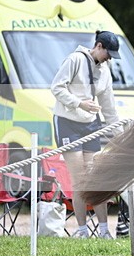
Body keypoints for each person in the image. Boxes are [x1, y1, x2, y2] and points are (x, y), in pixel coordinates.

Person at [50, 30, 121, 239]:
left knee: (95, 178)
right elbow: (56, 87)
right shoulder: (75, 60)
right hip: (67, 122)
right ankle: (81, 230)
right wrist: (79, 103)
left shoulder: (105, 69)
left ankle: (104, 230)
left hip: (90, 123)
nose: (109, 58)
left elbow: (109, 106)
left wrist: (120, 135)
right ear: (98, 46)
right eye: (108, 53)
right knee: (79, 177)